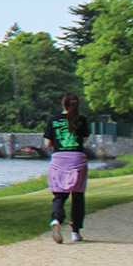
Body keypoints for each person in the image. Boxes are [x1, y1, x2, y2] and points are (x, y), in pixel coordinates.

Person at [43, 93, 89, 243]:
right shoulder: (81, 120)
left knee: (59, 194)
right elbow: (84, 140)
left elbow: (48, 144)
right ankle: (75, 232)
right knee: (77, 195)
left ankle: (56, 220)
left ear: (63, 104)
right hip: (77, 159)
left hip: (59, 160)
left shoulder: (53, 120)